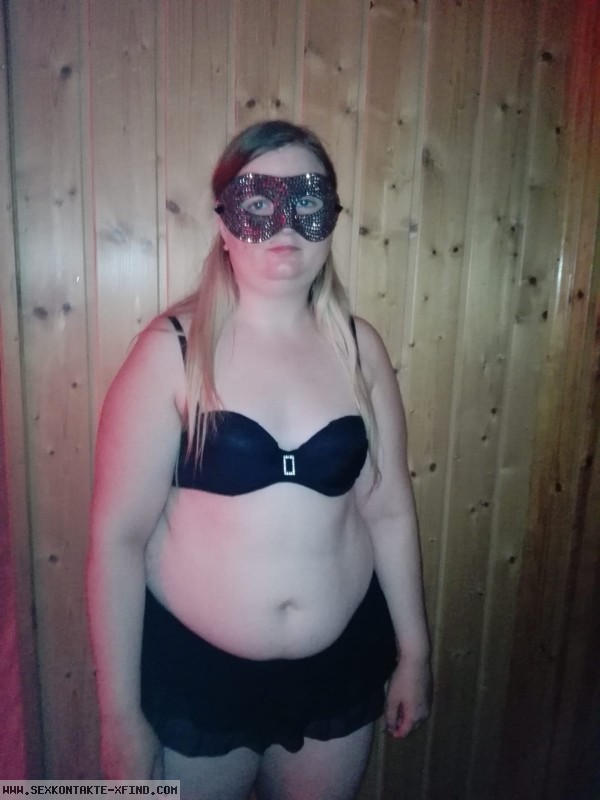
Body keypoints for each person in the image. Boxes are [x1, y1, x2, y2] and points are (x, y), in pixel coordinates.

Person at [87, 119, 431, 800]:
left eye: (307, 201)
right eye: (257, 202)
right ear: (224, 223)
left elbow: (389, 509)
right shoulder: (170, 353)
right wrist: (118, 713)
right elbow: (117, 539)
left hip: (338, 672)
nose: (286, 225)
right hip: (197, 680)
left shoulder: (359, 350)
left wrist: (415, 652)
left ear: (330, 219)